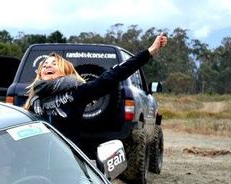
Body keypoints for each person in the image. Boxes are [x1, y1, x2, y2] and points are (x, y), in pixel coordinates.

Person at [24, 34, 168, 151]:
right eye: (45, 64)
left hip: (65, 160)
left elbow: (112, 75)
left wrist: (150, 52)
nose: (48, 65)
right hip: (35, 162)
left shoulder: (77, 93)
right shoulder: (33, 99)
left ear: (64, 72)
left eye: (54, 64)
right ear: (40, 72)